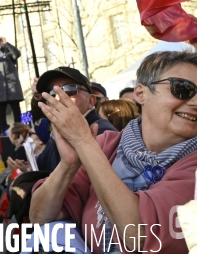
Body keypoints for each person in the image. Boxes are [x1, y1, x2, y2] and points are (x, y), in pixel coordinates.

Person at [30, 51, 197, 252]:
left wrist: (84, 143)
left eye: (70, 90)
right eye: (183, 89)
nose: (195, 102)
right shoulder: (107, 144)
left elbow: (141, 235)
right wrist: (69, 165)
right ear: (141, 93)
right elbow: (39, 216)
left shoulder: (192, 164)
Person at [29, 66, 118, 172]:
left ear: (90, 101)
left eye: (70, 89)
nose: (58, 98)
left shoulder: (104, 133)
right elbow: (44, 172)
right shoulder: (58, 132)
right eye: (52, 93)